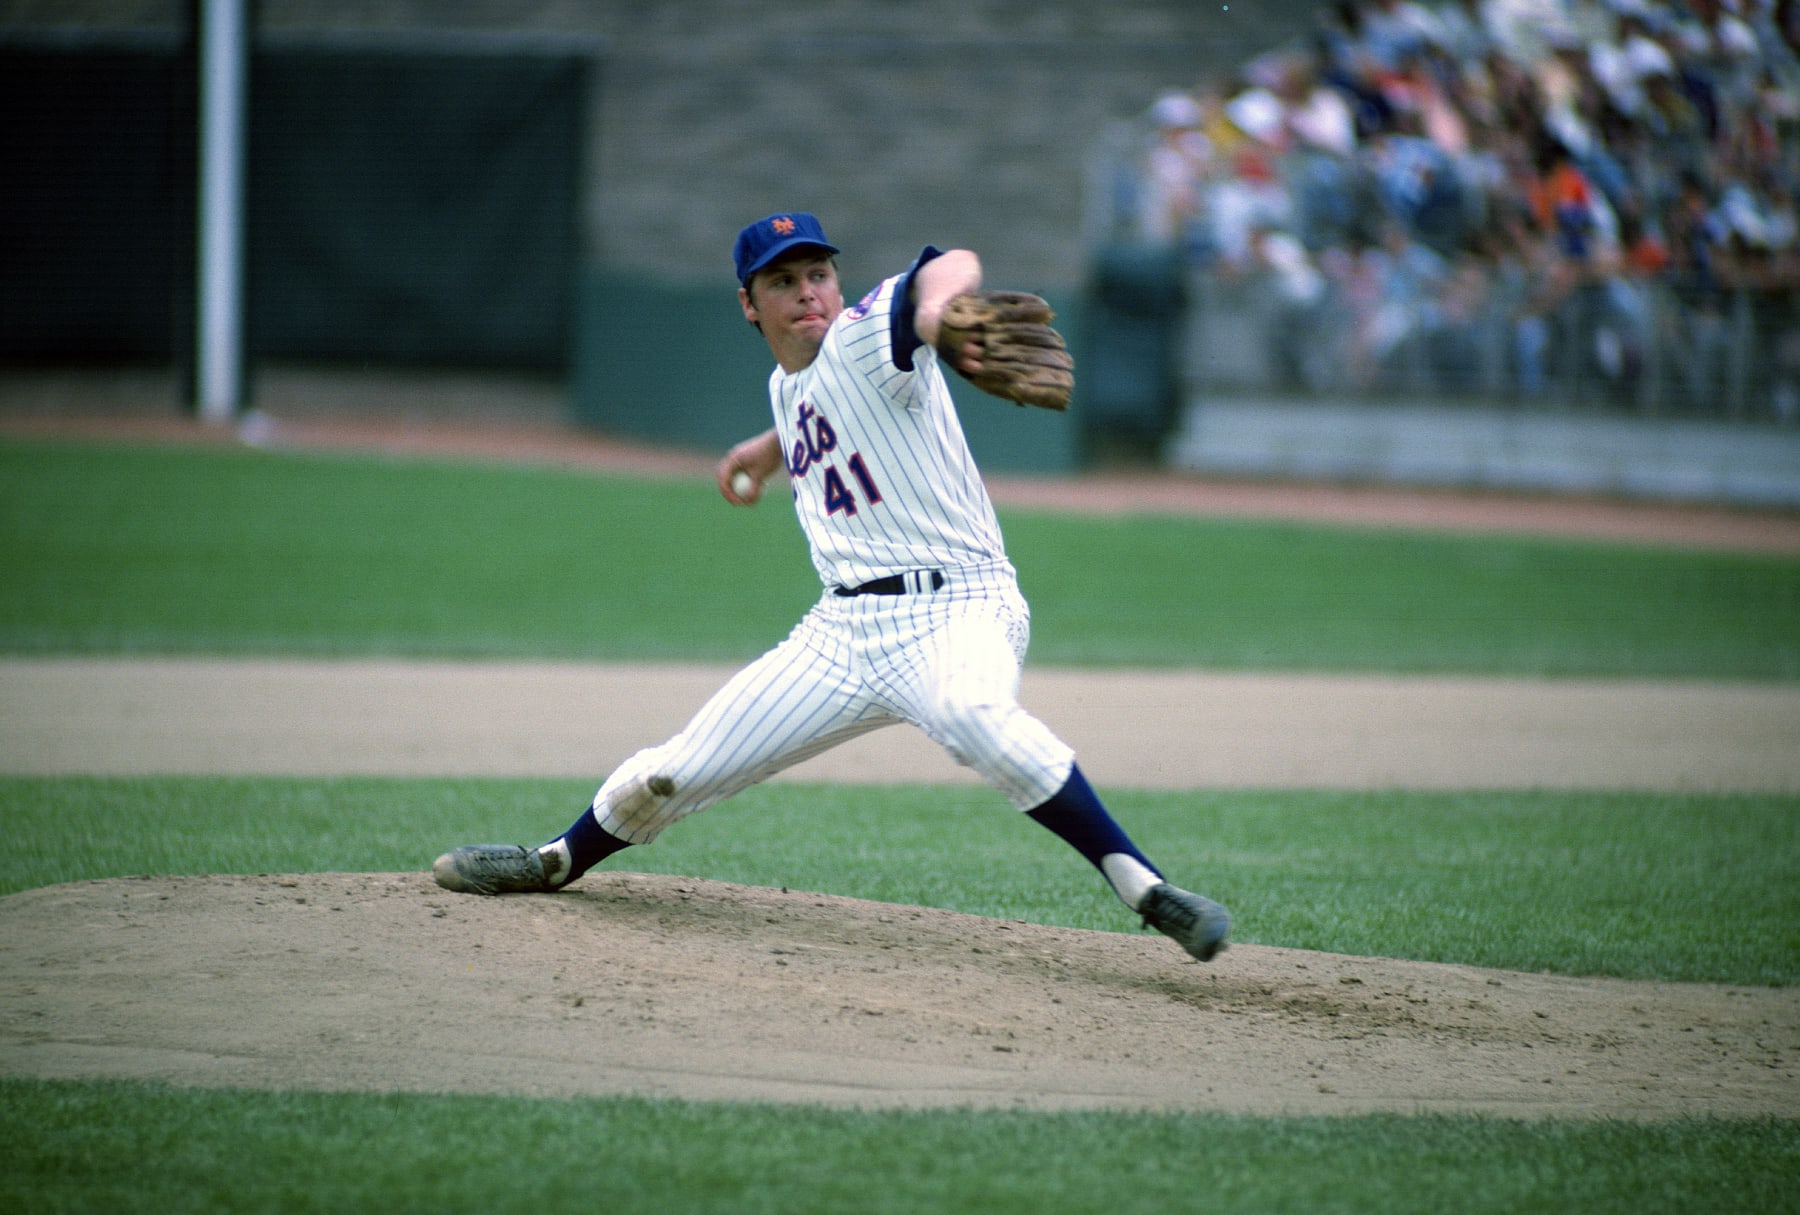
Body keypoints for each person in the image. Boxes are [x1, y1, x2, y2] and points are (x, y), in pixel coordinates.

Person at [431, 212, 1231, 964]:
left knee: (970, 714)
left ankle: (1148, 887)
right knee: (672, 772)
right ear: (750, 305)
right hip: (839, 636)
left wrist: (945, 310)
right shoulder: (792, 385)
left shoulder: (865, 337)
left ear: (838, 286)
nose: (807, 291)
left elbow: (947, 266)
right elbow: (818, 403)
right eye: (783, 282)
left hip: (958, 605)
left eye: (818, 273)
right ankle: (557, 859)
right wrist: (771, 446)